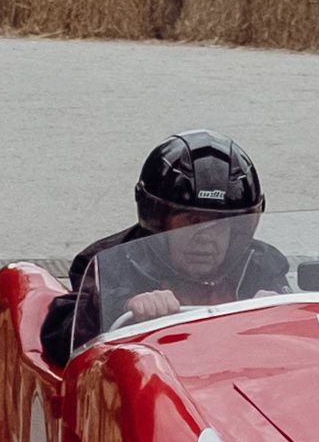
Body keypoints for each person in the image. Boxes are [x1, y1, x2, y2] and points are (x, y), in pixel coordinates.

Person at [41, 132, 284, 368]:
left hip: (231, 392)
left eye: (220, 224)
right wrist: (123, 306)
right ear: (158, 221)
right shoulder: (109, 264)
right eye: (190, 220)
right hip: (150, 394)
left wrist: (284, 312)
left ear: (239, 230)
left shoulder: (262, 264)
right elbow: (59, 338)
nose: (206, 238)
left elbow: (302, 351)